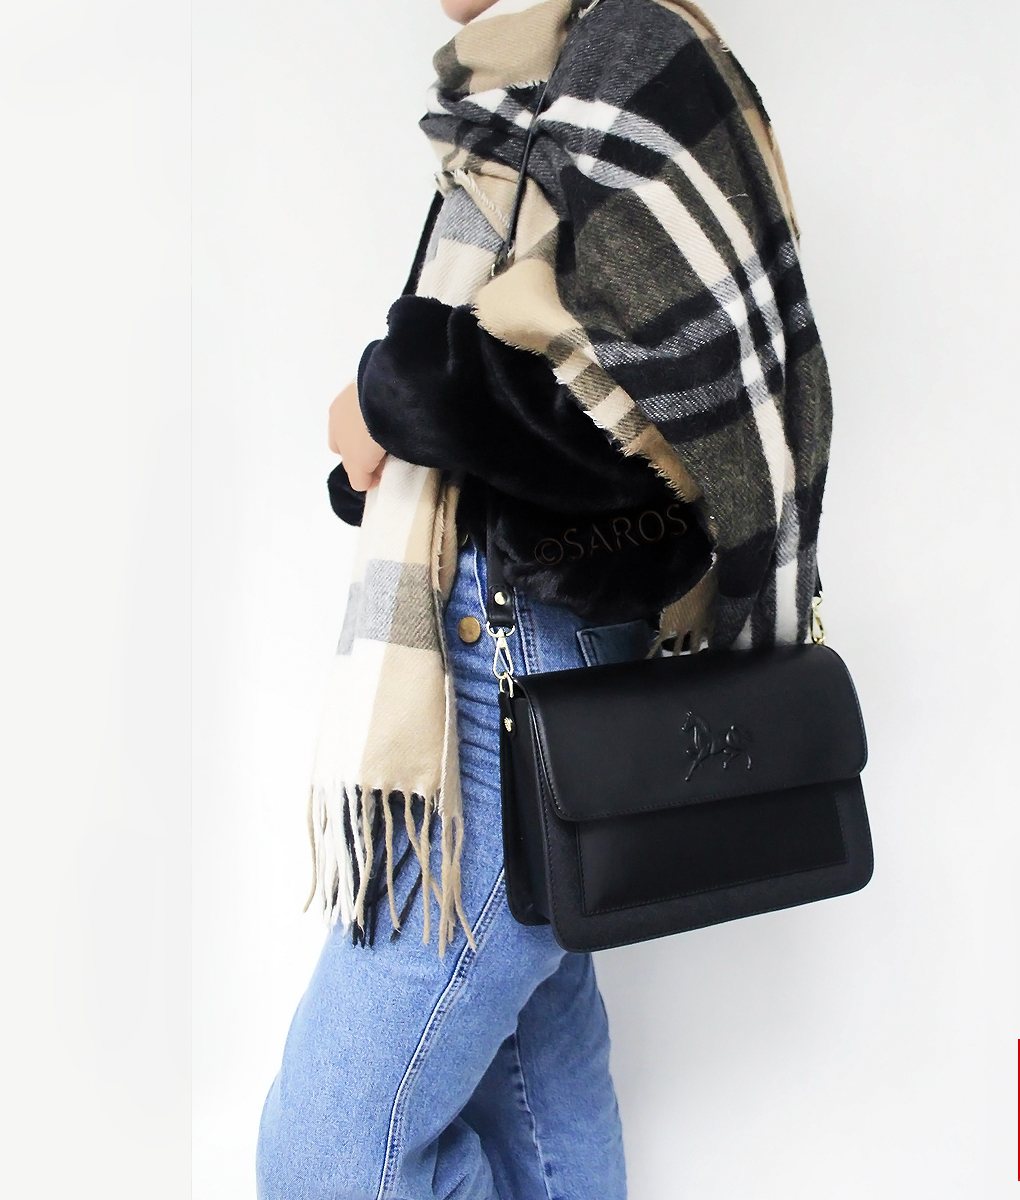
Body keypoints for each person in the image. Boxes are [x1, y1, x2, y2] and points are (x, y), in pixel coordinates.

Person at [257, 0, 833, 1196]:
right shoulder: (525, 83)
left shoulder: (629, 48)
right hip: (509, 633)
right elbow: (543, 383)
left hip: (518, 658)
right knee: (541, 1111)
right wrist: (396, 451)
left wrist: (398, 392)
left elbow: (658, 438)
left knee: (327, 1158)